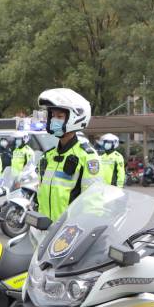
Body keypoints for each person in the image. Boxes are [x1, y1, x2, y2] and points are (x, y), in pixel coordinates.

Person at [35, 88, 101, 222]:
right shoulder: (48, 157)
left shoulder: (87, 157)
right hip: (44, 229)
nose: (54, 120)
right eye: (52, 115)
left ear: (75, 118)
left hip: (68, 229)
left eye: (59, 117)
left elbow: (93, 202)